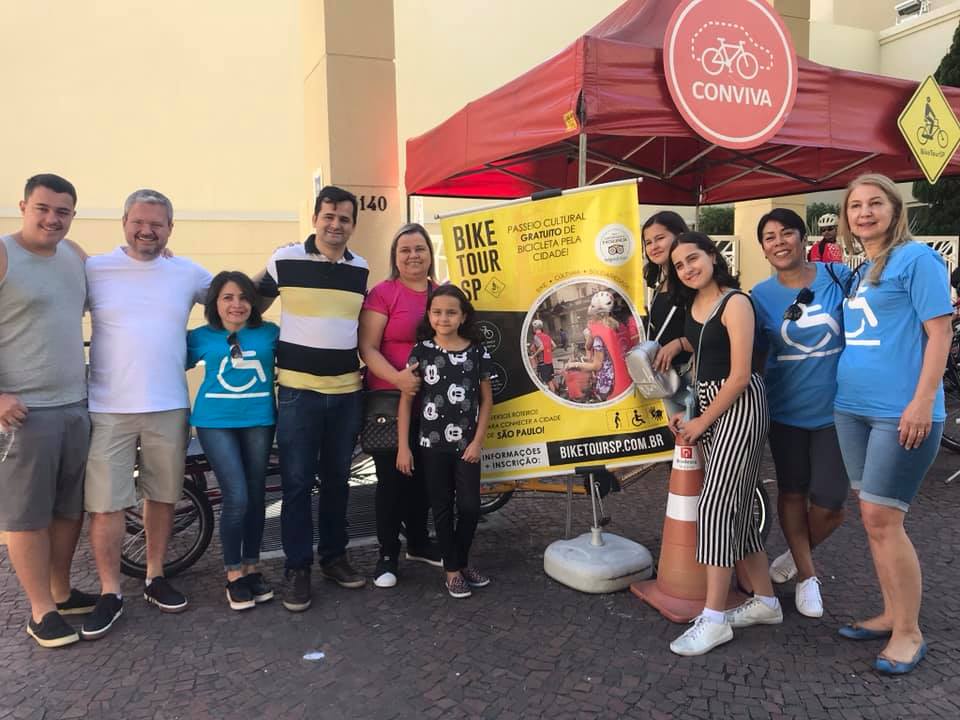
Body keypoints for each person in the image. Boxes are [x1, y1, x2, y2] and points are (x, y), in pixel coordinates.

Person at [833, 173, 952, 675]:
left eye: (875, 203)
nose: (864, 212)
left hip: (898, 412)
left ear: (894, 209)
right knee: (873, 520)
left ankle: (909, 632)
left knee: (886, 519)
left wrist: (922, 402)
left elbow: (940, 334)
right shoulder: (863, 269)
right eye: (855, 205)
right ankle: (890, 613)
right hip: (852, 408)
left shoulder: (918, 260)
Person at [82, 189, 212, 640]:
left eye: (157, 224)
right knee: (105, 504)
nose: (147, 230)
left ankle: (155, 576)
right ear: (123, 221)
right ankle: (109, 592)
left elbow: (236, 298)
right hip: (108, 406)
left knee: (162, 496)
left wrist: (275, 268)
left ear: (170, 229)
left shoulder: (187, 271)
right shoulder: (94, 269)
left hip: (168, 404)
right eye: (139, 221)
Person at [256, 185, 369, 612]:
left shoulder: (362, 268)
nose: (335, 224)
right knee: (298, 484)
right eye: (329, 216)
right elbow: (251, 302)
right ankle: (297, 567)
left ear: (353, 225)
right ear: (316, 218)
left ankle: (335, 557)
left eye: (344, 218)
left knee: (339, 481)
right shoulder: (284, 259)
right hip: (299, 394)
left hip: (346, 393)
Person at [665, 232, 778, 657]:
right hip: (710, 409)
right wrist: (688, 409)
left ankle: (714, 619)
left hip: (740, 410)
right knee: (738, 508)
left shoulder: (736, 303)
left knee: (713, 506)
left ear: (713, 255)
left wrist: (701, 422)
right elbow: (701, 362)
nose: (688, 268)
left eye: (693, 258)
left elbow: (739, 375)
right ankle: (765, 600)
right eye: (679, 265)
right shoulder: (696, 306)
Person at [0, 174, 96, 648]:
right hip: (24, 412)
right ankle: (40, 611)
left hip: (74, 405)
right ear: (23, 206)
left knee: (66, 509)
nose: (52, 219)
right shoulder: (4, 254)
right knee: (26, 515)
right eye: (43, 208)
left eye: (62, 211)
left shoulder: (74, 257)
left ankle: (61, 589)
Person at [751, 208, 850, 619]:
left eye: (786, 233)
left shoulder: (838, 277)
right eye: (769, 237)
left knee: (831, 501)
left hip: (839, 410)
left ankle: (796, 550)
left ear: (803, 237)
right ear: (763, 248)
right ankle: (807, 576)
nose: (779, 242)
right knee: (792, 491)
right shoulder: (758, 296)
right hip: (786, 410)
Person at [187, 271, 279, 611]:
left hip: (258, 420)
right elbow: (166, 363)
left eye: (242, 297)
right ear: (215, 303)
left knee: (255, 497)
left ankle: (253, 566)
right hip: (215, 423)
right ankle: (234, 573)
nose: (236, 304)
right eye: (227, 297)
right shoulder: (200, 337)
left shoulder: (269, 333)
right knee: (237, 496)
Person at [358, 223, 442, 589]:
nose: (413, 255)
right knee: (391, 480)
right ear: (395, 256)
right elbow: (367, 347)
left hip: (435, 405)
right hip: (390, 401)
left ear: (430, 254)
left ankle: (419, 543)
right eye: (405, 249)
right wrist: (398, 378)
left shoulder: (442, 294)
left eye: (419, 248)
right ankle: (387, 553)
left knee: (426, 478)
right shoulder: (383, 293)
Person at [396, 285, 494, 599]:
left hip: (466, 445)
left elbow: (487, 401)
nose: (443, 317)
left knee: (469, 507)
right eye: (437, 311)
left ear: (463, 316)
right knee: (441, 508)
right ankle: (453, 570)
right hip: (430, 445)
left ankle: (461, 560)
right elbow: (406, 400)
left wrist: (478, 441)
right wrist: (403, 446)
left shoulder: (477, 351)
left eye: (451, 312)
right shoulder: (421, 351)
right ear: (429, 314)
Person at [566, 291, 632, 401]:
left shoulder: (598, 336)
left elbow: (596, 366)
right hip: (626, 379)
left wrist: (574, 364)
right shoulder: (618, 326)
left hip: (610, 385)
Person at [529, 319, 557, 392]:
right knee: (552, 378)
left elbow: (541, 347)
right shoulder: (546, 336)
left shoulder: (536, 336)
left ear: (534, 328)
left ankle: (554, 396)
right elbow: (554, 346)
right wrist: (548, 352)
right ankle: (558, 391)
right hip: (549, 361)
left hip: (543, 362)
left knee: (548, 381)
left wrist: (533, 356)